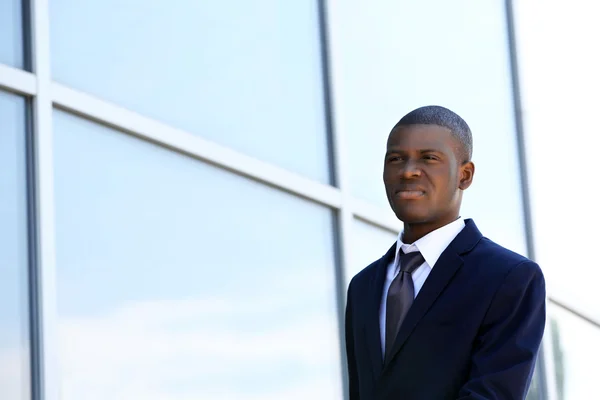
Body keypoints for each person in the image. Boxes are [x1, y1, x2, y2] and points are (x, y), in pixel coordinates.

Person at [345, 105, 546, 399]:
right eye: (396, 159)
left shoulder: (509, 277)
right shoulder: (363, 286)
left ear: (464, 175)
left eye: (429, 158)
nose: (408, 171)